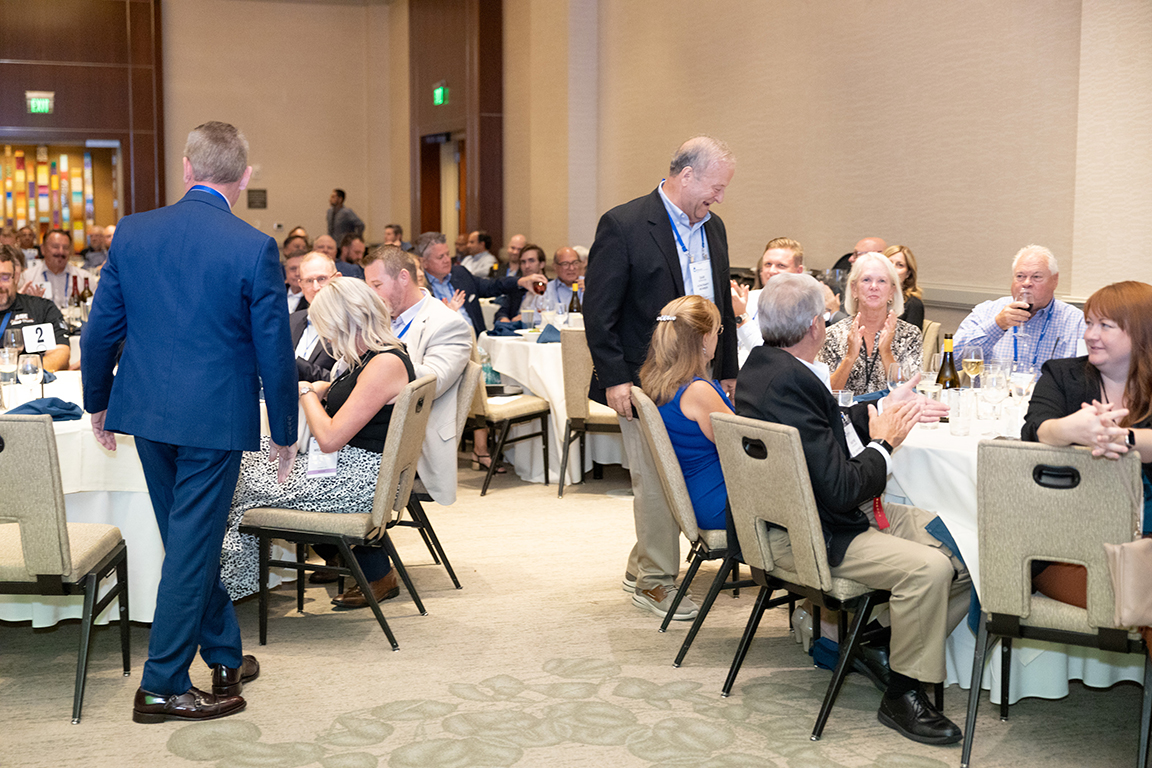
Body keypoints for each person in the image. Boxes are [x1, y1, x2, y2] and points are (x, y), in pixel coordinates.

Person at [82, 121, 298, 723]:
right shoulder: (254, 246)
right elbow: (275, 350)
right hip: (214, 419)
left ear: (186, 168)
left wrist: (97, 400)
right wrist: (284, 431)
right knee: (191, 548)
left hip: (147, 413)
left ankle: (224, 655)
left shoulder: (133, 231)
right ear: (244, 177)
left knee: (187, 543)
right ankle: (161, 685)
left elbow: (100, 331)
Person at [736, 272, 969, 746]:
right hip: (812, 533)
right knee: (929, 569)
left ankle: (874, 644)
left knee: (964, 542)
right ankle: (902, 694)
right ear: (815, 327)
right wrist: (885, 443)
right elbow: (843, 489)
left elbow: (825, 427)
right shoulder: (791, 381)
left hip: (806, 515)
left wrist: (881, 407)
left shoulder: (764, 368)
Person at [584, 135, 738, 622]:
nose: (720, 197)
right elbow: (599, 311)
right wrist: (615, 378)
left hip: (702, 371)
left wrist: (727, 372)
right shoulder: (625, 224)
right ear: (686, 175)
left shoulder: (714, 229)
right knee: (655, 480)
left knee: (676, 475)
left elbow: (722, 308)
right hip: (646, 379)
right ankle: (654, 581)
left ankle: (641, 567)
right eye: (716, 187)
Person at [222, 277, 415, 608]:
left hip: (359, 480)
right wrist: (323, 388)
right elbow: (351, 396)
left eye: (325, 326)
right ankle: (236, 580)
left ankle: (225, 586)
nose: (325, 336)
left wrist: (305, 391)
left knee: (235, 480)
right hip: (357, 468)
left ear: (344, 321)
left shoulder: (384, 364)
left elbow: (329, 438)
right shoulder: (376, 355)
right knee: (244, 462)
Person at [1022, 281, 1152, 607]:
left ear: (1141, 333)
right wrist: (1070, 429)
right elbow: (1036, 429)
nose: (1090, 335)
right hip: (1068, 547)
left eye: (1105, 325)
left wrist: (1122, 438)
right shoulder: (1062, 376)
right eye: (1089, 323)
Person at [362, 245, 471, 505]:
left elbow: (432, 383)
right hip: (368, 421)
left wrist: (383, 356)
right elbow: (342, 368)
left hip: (409, 436)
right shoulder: (379, 317)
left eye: (377, 285)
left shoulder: (447, 323)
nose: (372, 295)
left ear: (403, 277)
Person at [638, 295, 732, 533]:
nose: (718, 338)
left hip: (698, 493)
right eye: (718, 331)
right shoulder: (697, 391)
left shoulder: (659, 382)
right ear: (704, 338)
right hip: (720, 500)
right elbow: (741, 446)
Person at [953, 244, 1085, 366]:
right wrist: (997, 325)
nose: (1026, 283)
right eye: (1020, 276)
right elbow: (950, 361)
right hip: (995, 385)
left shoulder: (1077, 322)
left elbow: (1090, 375)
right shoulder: (986, 312)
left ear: (1055, 280)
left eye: (1036, 277)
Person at [819, 252, 923, 396]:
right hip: (845, 410)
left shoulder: (910, 335)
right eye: (866, 280)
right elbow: (825, 394)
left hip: (891, 410)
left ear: (892, 291)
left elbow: (910, 393)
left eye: (882, 281)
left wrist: (886, 352)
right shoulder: (832, 335)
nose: (874, 286)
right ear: (854, 289)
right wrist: (849, 358)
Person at [417, 231, 543, 335]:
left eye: (448, 254)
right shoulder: (420, 288)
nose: (447, 260)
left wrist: (520, 281)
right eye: (440, 257)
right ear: (424, 262)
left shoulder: (460, 274)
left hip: (476, 343)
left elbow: (493, 285)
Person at [731, 237, 805, 367]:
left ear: (798, 271)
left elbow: (770, 356)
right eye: (768, 264)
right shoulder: (748, 299)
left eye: (781, 266)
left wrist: (741, 316)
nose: (772, 271)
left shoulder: (804, 308)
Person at [0, 245, 71, 371]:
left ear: (16, 278)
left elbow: (61, 353)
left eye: (5, 277)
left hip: (30, 379)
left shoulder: (42, 308)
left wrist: (26, 371)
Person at [290, 252, 340, 382]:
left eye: (322, 279)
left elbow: (342, 381)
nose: (316, 287)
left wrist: (291, 361)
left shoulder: (350, 324)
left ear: (337, 279)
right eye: (309, 281)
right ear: (301, 285)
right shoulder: (291, 320)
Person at [23, 229, 92, 309]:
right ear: (43, 249)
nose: (61, 252)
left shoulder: (85, 279)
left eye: (65, 248)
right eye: (55, 247)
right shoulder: (27, 278)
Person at [495, 242, 545, 322]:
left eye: (531, 261)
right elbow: (501, 312)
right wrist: (503, 319)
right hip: (515, 327)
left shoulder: (551, 287)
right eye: (523, 262)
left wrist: (527, 317)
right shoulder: (517, 288)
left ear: (542, 264)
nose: (527, 266)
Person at [885, 245, 924, 330]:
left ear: (908, 274)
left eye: (900, 265)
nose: (892, 268)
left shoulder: (913, 304)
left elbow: (913, 337)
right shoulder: (872, 297)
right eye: (888, 263)